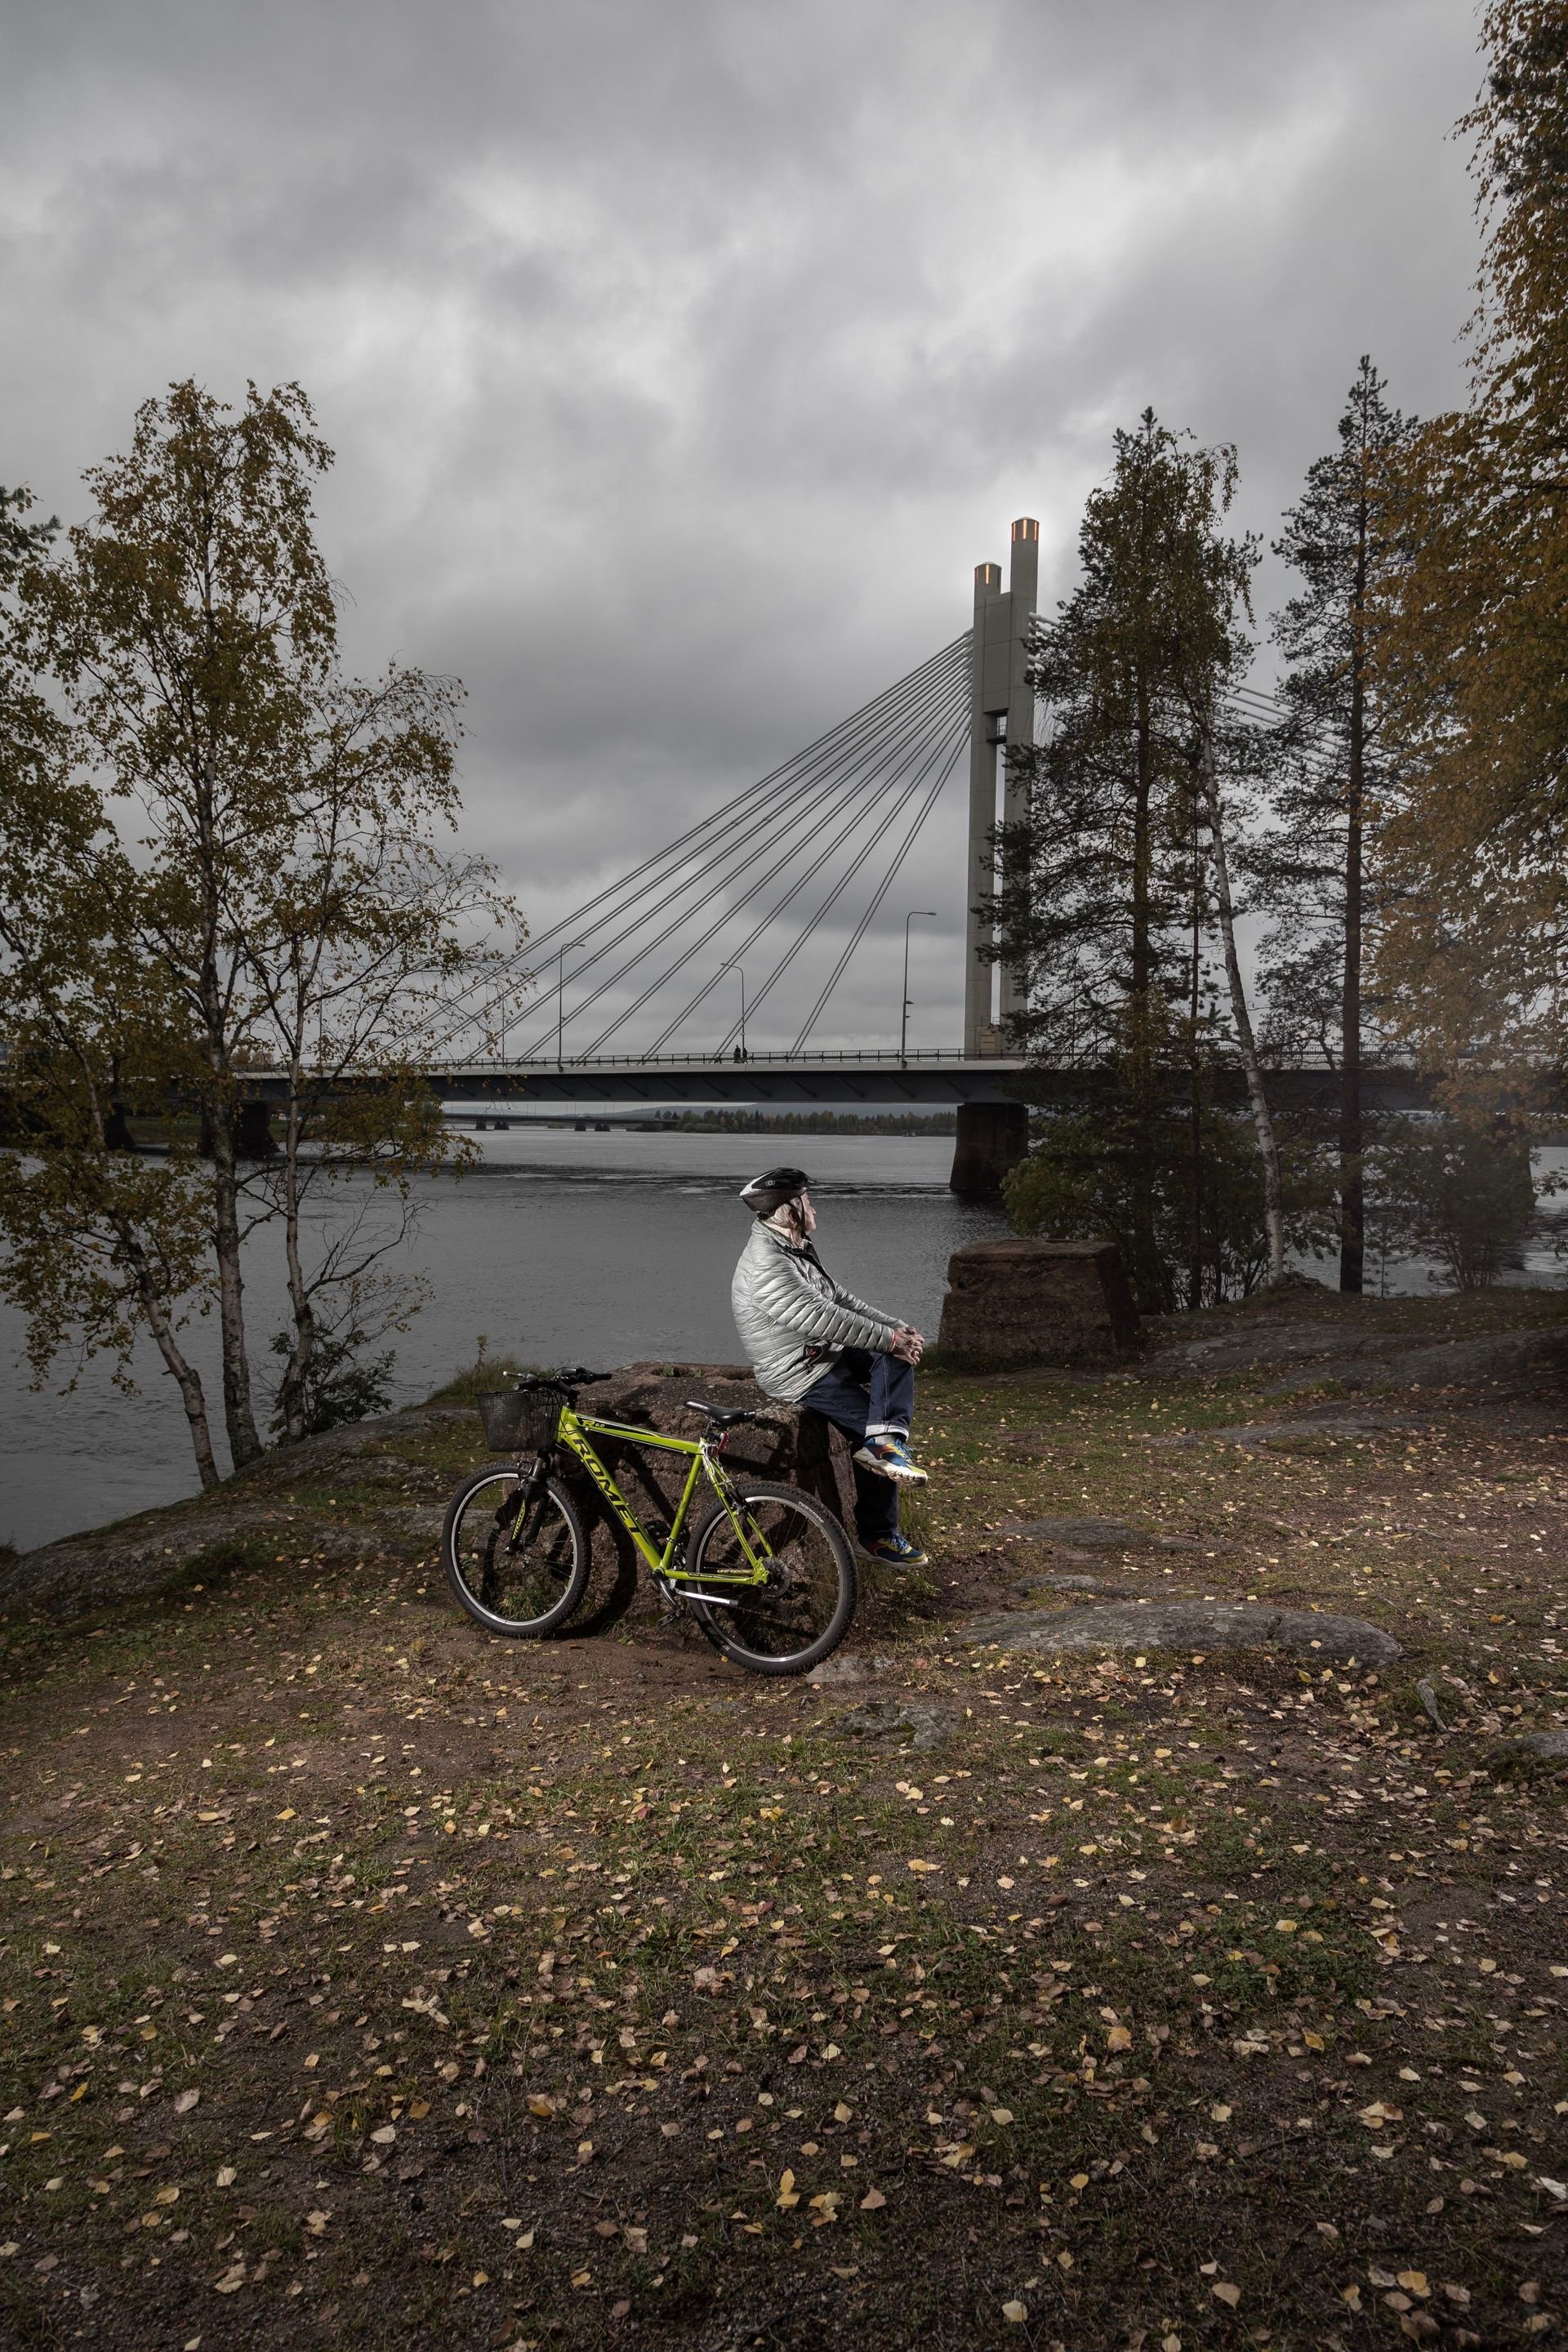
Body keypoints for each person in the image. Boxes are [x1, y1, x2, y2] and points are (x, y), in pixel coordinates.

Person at [730, 1165, 929, 1567]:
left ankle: (885, 1441)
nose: (814, 1208)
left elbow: (840, 1299)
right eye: (807, 1201)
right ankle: (876, 1538)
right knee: (864, 1428)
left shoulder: (794, 1247)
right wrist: (890, 1338)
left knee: (892, 1363)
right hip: (797, 1369)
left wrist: (896, 1329)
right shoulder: (767, 1263)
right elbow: (822, 1317)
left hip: (823, 1353)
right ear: (789, 1211)